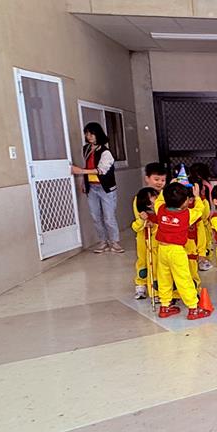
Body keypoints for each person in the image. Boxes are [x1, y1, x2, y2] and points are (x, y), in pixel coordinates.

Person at [154, 182, 209, 320]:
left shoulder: (160, 209)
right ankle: (193, 308)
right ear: (185, 202)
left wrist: (169, 185)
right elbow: (200, 209)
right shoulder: (187, 214)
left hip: (162, 250)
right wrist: (197, 197)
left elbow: (159, 199)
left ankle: (165, 306)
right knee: (184, 279)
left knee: (164, 278)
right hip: (177, 252)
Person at [70, 123, 122, 253]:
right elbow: (87, 165)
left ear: (98, 134)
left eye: (91, 133)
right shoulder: (86, 149)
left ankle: (114, 242)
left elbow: (101, 170)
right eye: (87, 133)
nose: (89, 136)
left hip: (106, 188)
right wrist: (84, 181)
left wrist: (80, 171)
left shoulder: (106, 152)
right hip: (92, 188)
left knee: (109, 217)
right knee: (96, 217)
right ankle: (103, 242)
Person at [131, 187, 158, 300]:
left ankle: (155, 291)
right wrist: (142, 221)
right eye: (153, 197)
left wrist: (154, 226)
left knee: (155, 266)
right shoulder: (143, 215)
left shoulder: (160, 213)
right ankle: (141, 285)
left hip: (156, 245)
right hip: (143, 244)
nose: (156, 198)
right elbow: (135, 227)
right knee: (143, 265)